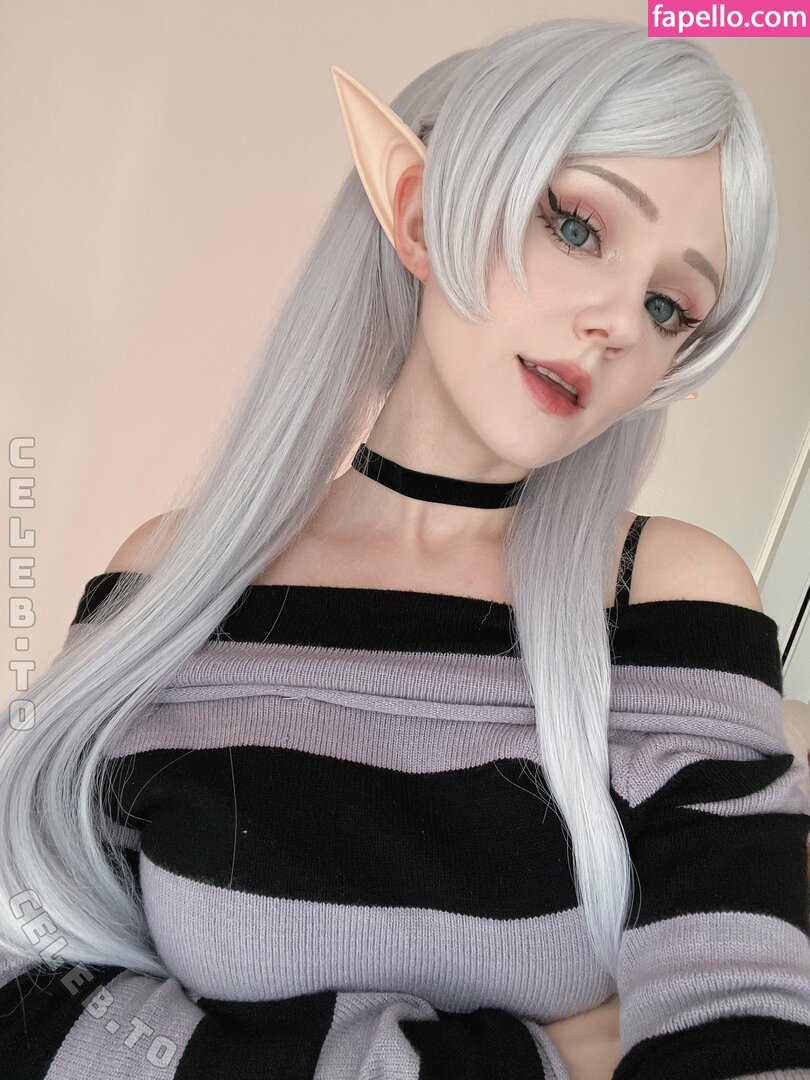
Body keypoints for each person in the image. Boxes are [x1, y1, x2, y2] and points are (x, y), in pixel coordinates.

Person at [1, 17, 808, 1080]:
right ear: (424, 214)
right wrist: (532, 1062)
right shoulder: (175, 577)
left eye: (669, 306)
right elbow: (28, 996)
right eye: (577, 227)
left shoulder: (669, 601)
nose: (618, 321)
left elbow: (745, 1033)